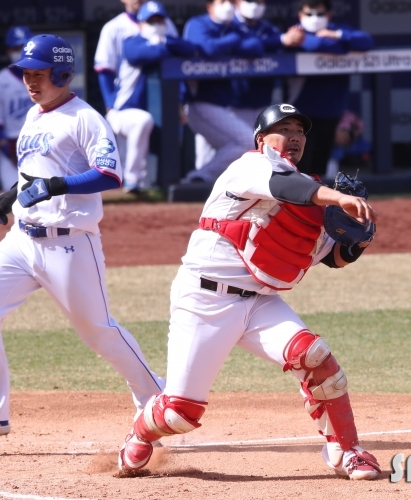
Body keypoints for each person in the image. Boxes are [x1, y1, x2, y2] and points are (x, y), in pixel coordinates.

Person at [117, 103, 382, 481]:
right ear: (262, 139)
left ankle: (347, 451)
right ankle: (140, 431)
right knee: (180, 413)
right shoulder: (251, 166)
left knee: (317, 359)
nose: (293, 136)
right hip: (204, 299)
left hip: (259, 301)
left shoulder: (310, 194)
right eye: (283, 128)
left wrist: (358, 240)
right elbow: (285, 186)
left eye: (299, 130)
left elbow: (333, 257)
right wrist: (335, 198)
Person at [0, 34, 164, 439]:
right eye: (26, 73)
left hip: (69, 243)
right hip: (21, 240)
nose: (29, 81)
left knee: (98, 331)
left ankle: (157, 400)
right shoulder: (35, 115)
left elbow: (110, 175)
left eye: (38, 74)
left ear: (62, 73)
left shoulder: (85, 118)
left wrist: (57, 185)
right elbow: (35, 173)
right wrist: (12, 194)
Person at [94, 0, 178, 193]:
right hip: (122, 107)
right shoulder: (114, 28)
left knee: (148, 163)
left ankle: (137, 185)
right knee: (139, 127)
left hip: (159, 105)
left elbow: (182, 52)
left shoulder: (167, 24)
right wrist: (109, 105)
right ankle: (131, 182)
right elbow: (104, 70)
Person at [286, 0, 373, 176]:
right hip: (302, 113)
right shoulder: (295, 33)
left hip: (331, 111)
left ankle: (316, 204)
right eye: (309, 14)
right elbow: (317, 45)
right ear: (300, 15)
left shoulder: (336, 30)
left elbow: (366, 41)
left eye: (319, 14)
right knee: (300, 168)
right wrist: (336, 43)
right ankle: (297, 204)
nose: (314, 18)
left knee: (320, 168)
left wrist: (338, 35)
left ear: (329, 15)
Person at [182, 0, 264, 183]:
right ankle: (197, 178)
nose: (226, 5)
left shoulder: (234, 26)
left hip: (223, 105)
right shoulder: (198, 23)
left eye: (229, 1)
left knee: (217, 153)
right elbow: (207, 48)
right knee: (245, 141)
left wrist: (226, 43)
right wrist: (234, 40)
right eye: (221, 1)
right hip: (200, 103)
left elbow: (256, 47)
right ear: (210, 6)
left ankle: (201, 186)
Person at [0, 26, 34, 190]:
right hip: (11, 146)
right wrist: (8, 151)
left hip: (40, 143)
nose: (20, 51)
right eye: (16, 48)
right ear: (7, 50)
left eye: (24, 47)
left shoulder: (45, 79)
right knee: (14, 197)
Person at [122, 2, 199, 110]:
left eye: (159, 21)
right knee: (143, 121)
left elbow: (191, 49)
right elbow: (141, 55)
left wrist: (163, 41)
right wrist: (162, 46)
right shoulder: (131, 42)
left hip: (166, 102)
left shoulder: (169, 41)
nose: (156, 25)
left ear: (165, 23)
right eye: (151, 21)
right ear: (140, 24)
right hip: (131, 105)